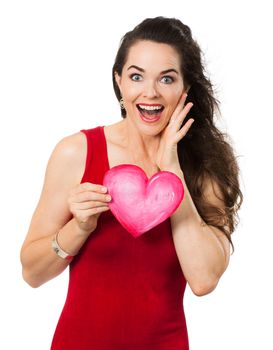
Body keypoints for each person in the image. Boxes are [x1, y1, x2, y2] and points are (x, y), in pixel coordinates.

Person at [20, 16, 243, 350]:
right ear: (119, 82)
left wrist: (173, 171)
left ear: (185, 89)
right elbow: (32, 273)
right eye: (136, 76)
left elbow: (203, 279)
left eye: (166, 79)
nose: (149, 92)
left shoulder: (203, 166)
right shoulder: (76, 153)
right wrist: (79, 228)